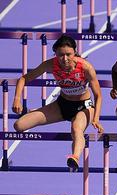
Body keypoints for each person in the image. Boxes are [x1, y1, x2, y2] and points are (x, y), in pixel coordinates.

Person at [12, 34, 103, 171]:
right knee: (19, 125)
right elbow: (24, 79)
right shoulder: (50, 64)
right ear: (55, 53)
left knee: (76, 129)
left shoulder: (85, 67)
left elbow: (98, 95)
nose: (65, 59)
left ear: (75, 52)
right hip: (61, 105)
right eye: (61, 55)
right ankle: (34, 112)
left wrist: (96, 118)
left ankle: (74, 158)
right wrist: (17, 99)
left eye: (68, 54)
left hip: (84, 107)